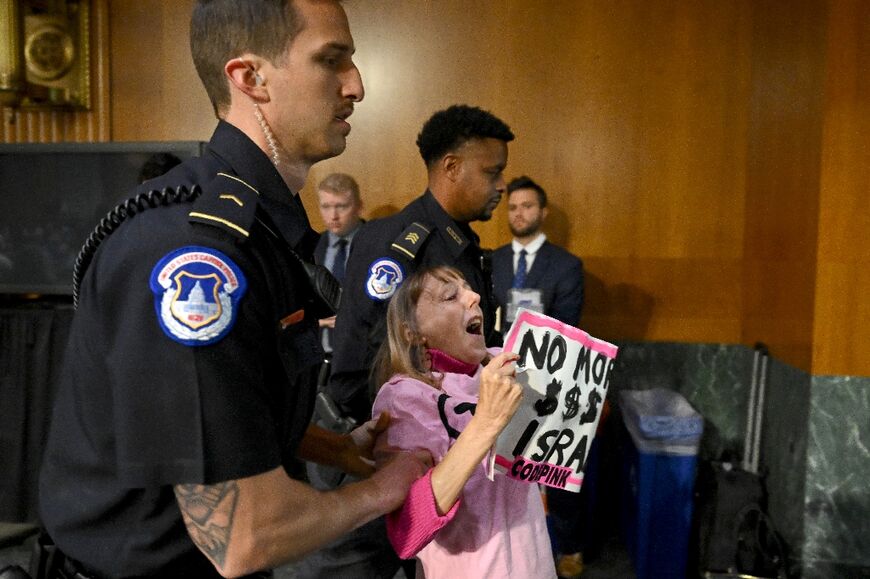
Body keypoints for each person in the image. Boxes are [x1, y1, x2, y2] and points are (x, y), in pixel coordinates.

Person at [37, 1, 430, 578]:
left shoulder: (258, 227)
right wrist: (386, 490)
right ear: (250, 79)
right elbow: (244, 538)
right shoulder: (199, 256)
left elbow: (227, 413)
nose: (357, 86)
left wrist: (336, 448)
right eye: (332, 60)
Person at [328, 104, 515, 425]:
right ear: (452, 167)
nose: (501, 185)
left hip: (459, 430)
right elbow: (362, 366)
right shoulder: (397, 243)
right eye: (492, 172)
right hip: (403, 440)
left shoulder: (465, 244)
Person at [371, 265, 556, 578]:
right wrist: (486, 422)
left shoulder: (509, 365)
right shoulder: (406, 397)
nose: (474, 297)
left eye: (469, 289)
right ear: (412, 331)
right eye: (449, 296)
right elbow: (407, 532)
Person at [491, 175, 590, 578]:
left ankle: (571, 547)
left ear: (542, 212)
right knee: (503, 468)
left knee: (557, 466)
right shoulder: (491, 260)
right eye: (513, 207)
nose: (519, 213)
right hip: (499, 377)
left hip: (553, 381)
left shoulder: (566, 266)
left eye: (528, 206)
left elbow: (567, 324)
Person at [313, 172, 364, 360]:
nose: (333, 216)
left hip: (364, 353)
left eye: (341, 206)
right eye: (326, 207)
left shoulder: (376, 243)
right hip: (322, 355)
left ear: (359, 206)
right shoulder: (311, 247)